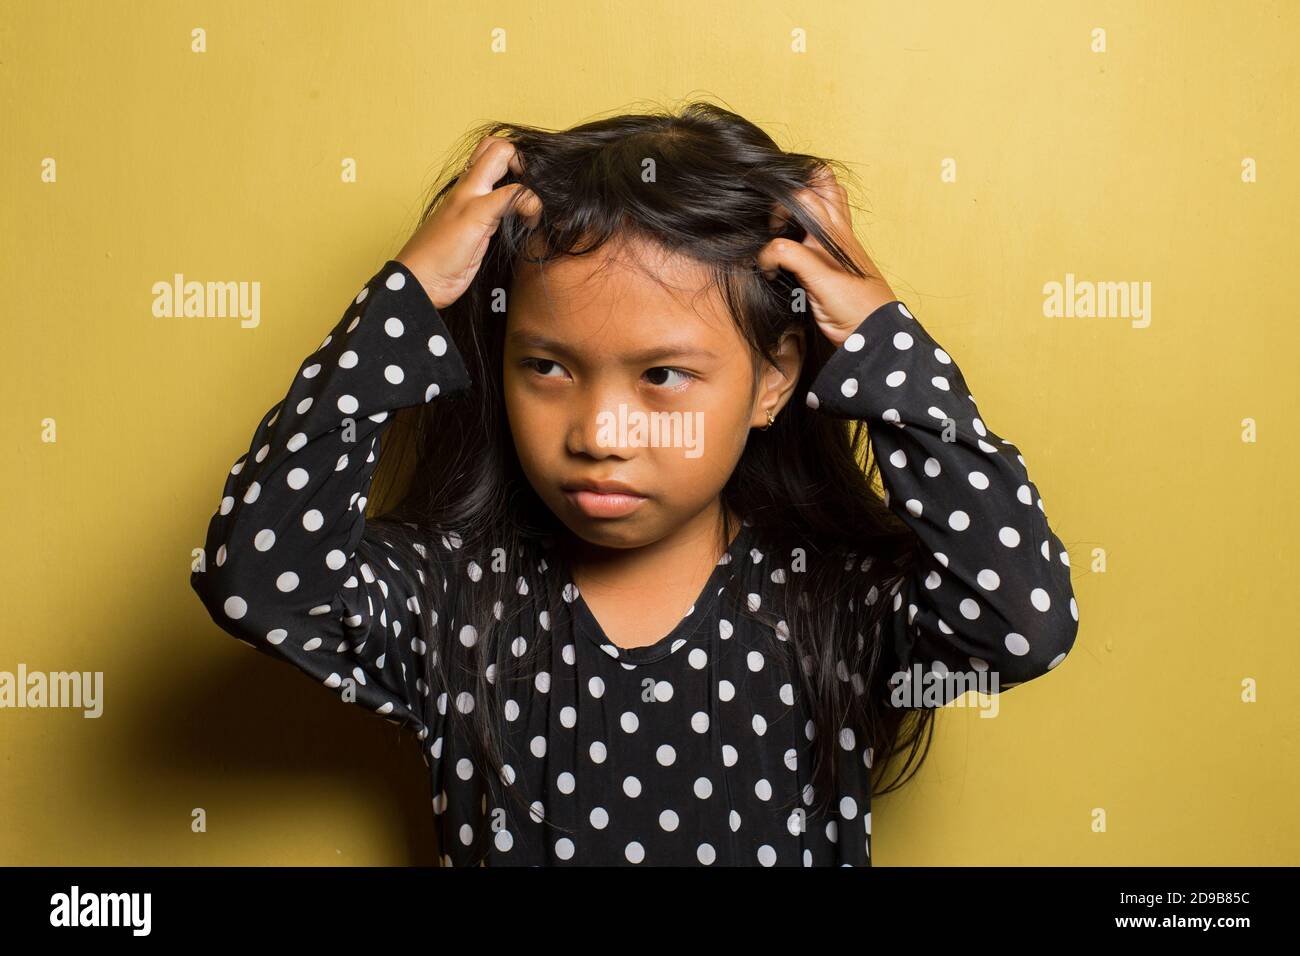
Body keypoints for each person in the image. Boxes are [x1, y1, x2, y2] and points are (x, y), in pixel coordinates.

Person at [190, 103, 1080, 866]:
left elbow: (1021, 624)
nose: (599, 435)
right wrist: (404, 300)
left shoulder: (829, 600)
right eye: (548, 367)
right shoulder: (455, 597)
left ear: (773, 381)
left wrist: (884, 342)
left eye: (662, 377)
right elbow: (260, 585)